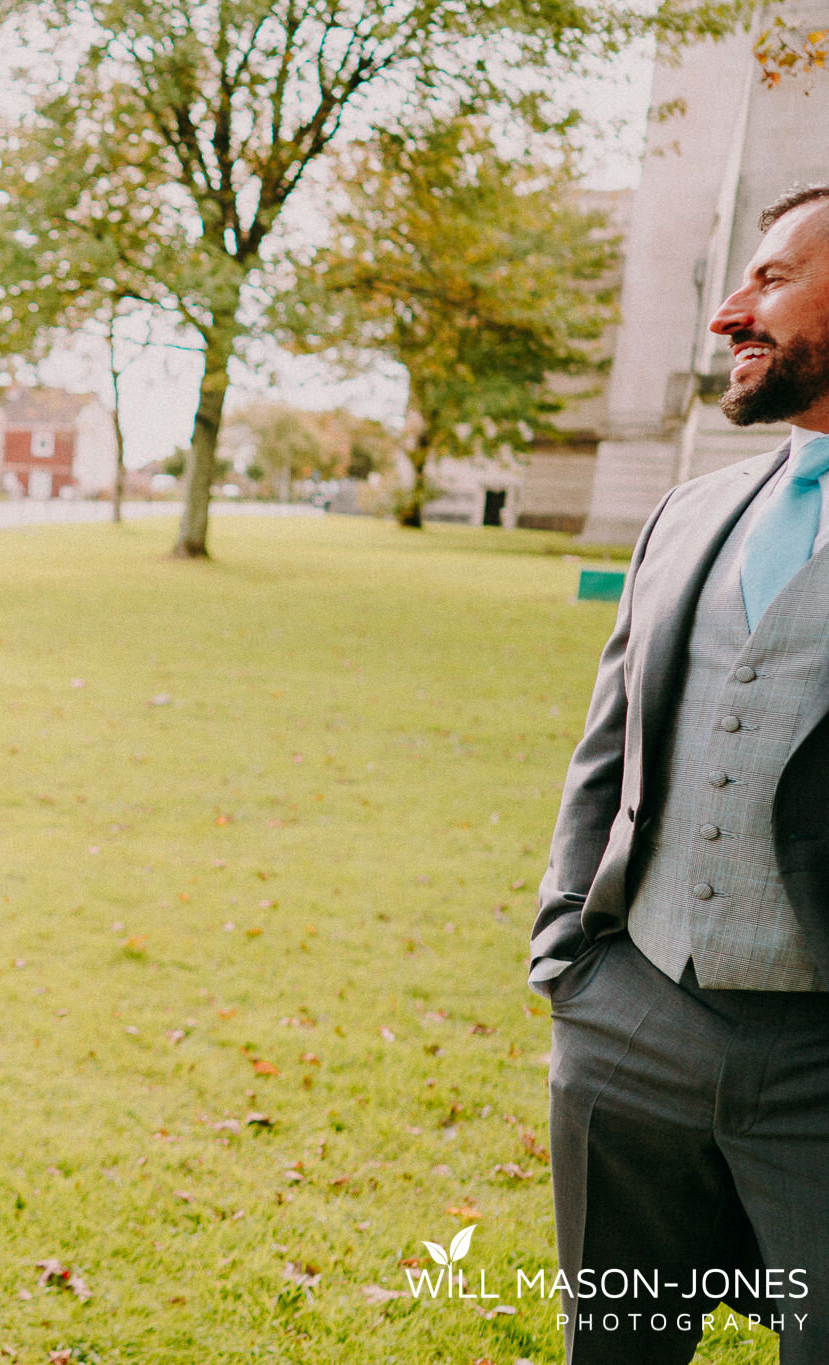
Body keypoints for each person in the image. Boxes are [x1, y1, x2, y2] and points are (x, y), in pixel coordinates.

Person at [532, 185, 829, 1364]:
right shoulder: (687, 512)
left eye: (769, 280)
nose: (725, 315)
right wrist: (569, 954)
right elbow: (603, 750)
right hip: (626, 1027)